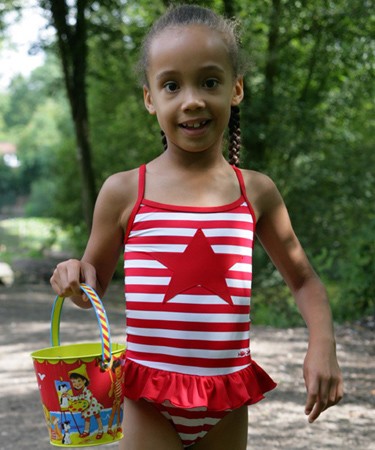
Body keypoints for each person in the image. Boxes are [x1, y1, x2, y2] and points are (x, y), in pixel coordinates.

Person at [50, 5, 343, 450]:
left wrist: (322, 345)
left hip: (225, 397)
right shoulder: (125, 191)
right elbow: (91, 284)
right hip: (149, 398)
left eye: (209, 82)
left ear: (236, 89)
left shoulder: (256, 192)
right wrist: (72, 275)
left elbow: (304, 281)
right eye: (172, 85)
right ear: (150, 98)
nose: (192, 99)